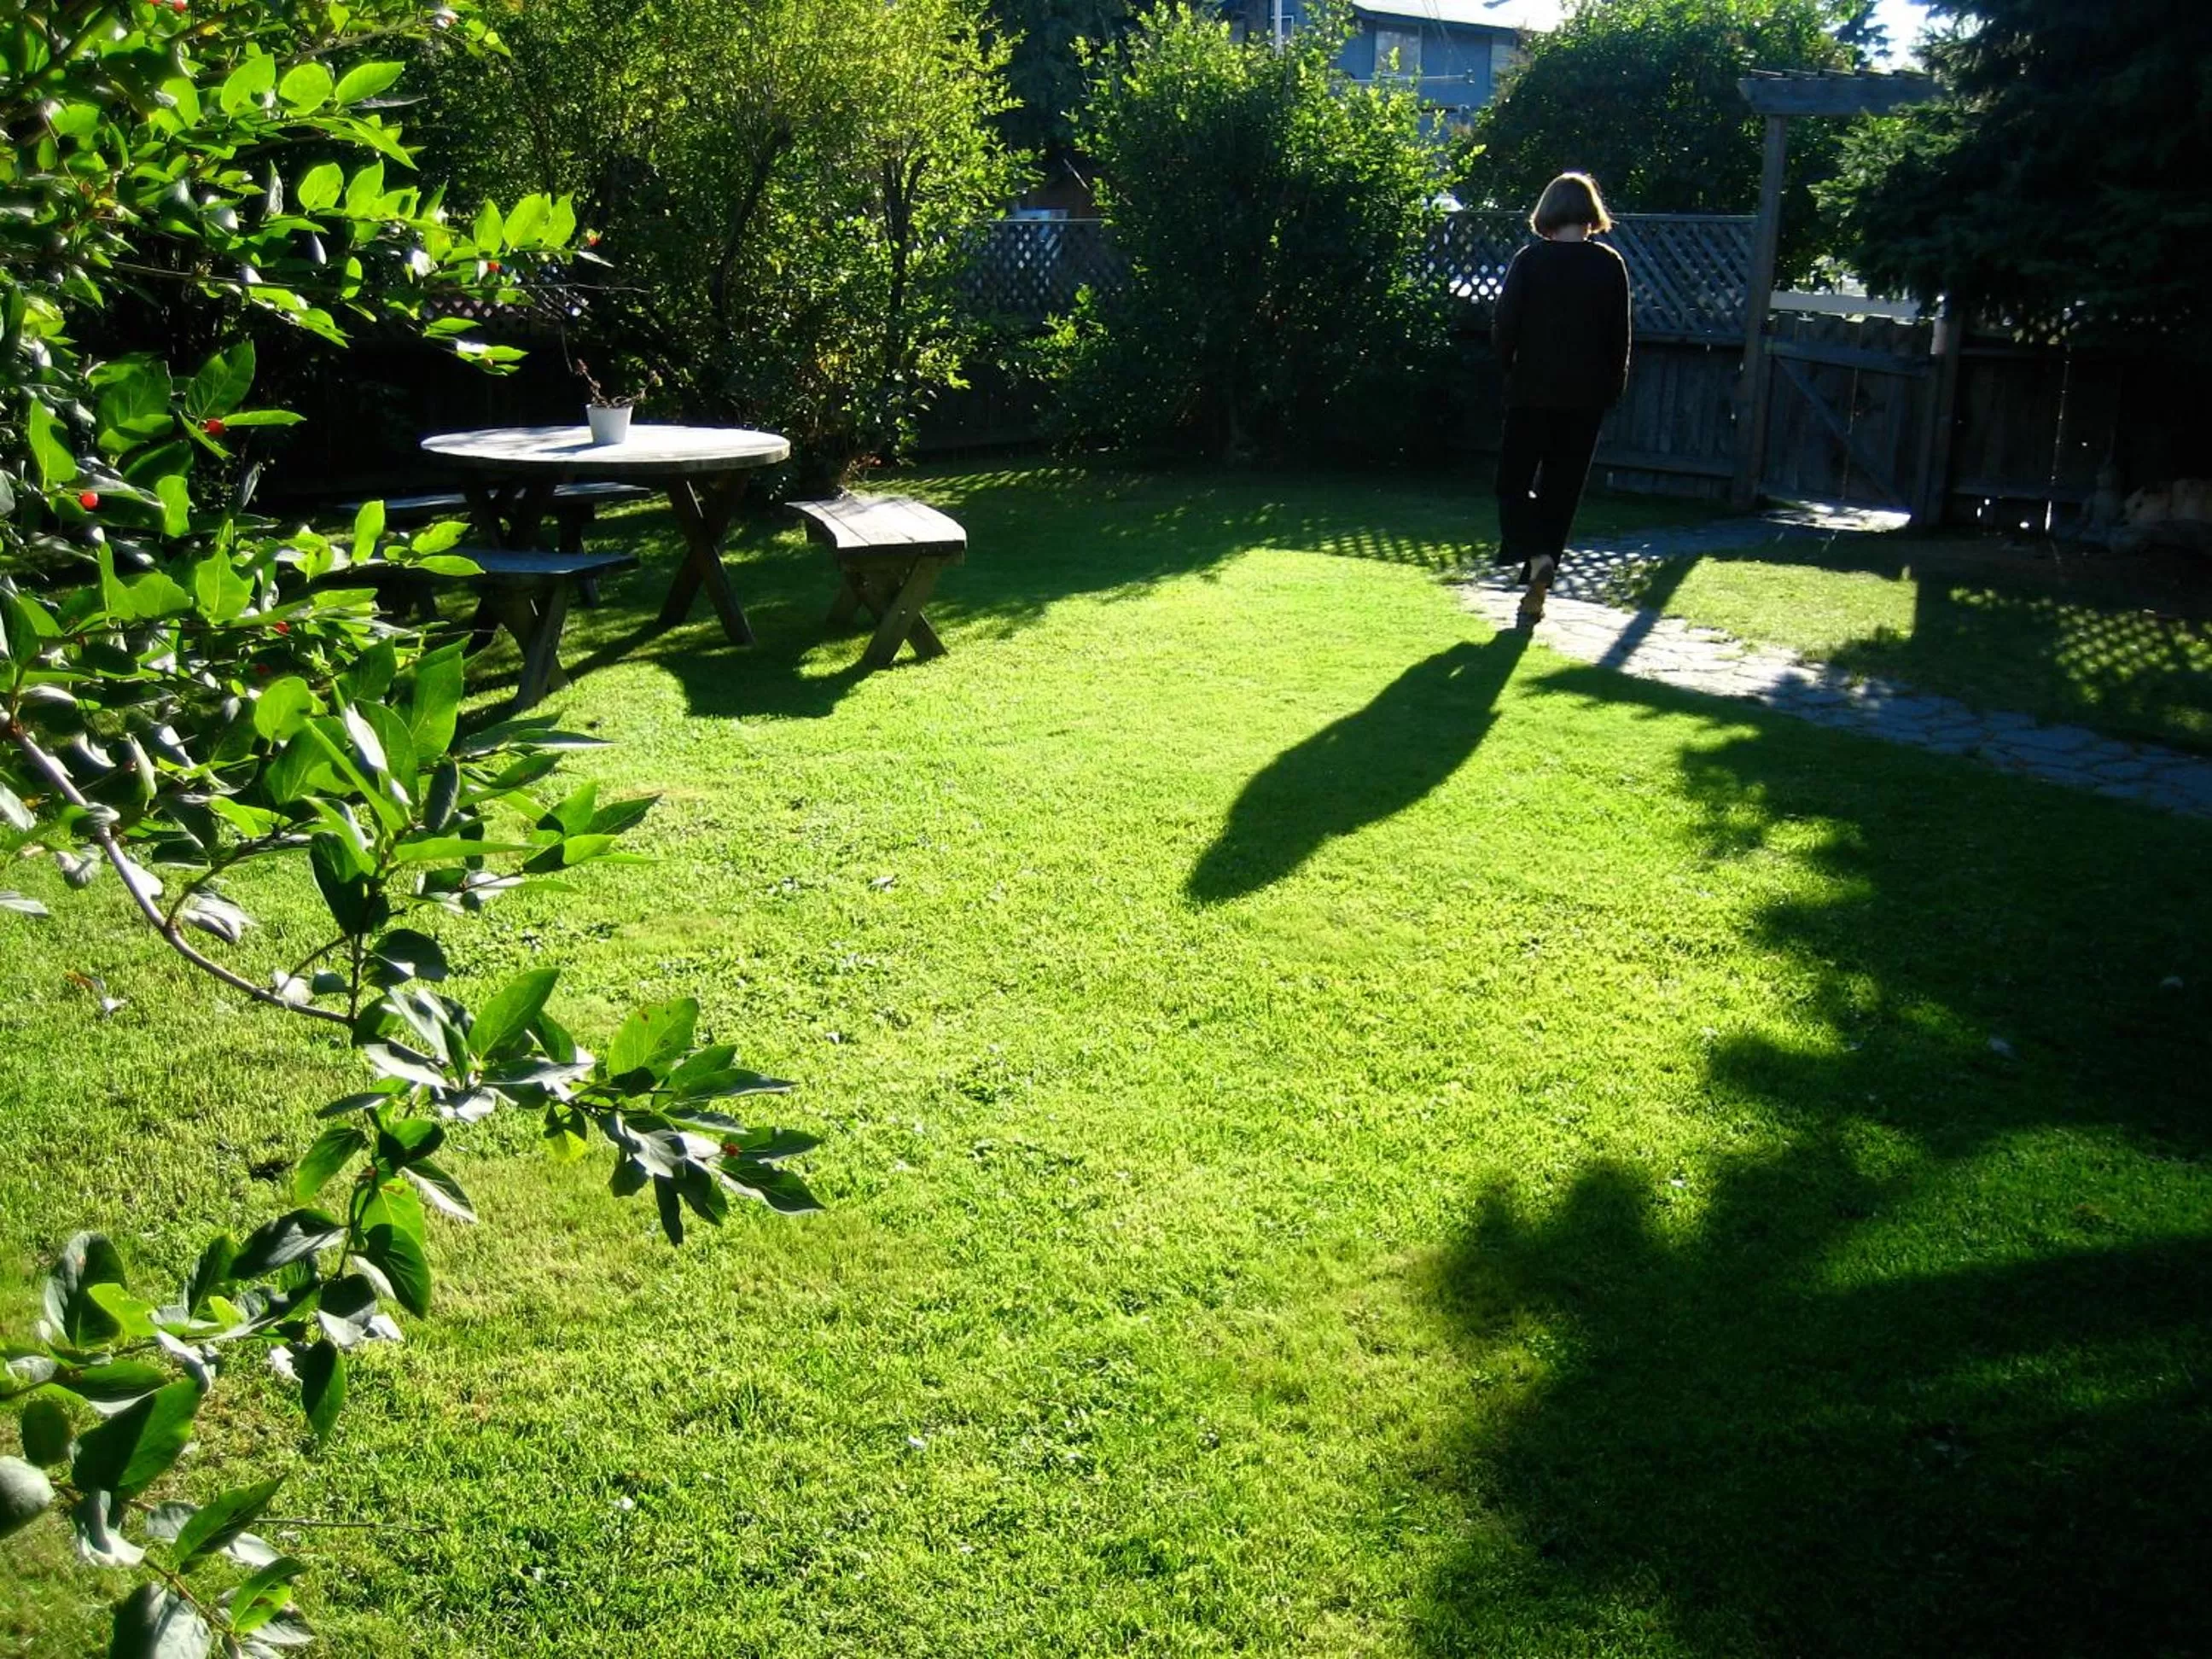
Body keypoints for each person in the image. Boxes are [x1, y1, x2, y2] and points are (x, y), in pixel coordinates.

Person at [1490, 171, 1633, 627]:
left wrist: (1506, 369)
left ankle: (1534, 554)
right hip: (1586, 397)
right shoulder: (1609, 264)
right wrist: (1614, 387)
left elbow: (1505, 325)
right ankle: (1539, 577)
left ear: (1548, 211)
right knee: (1562, 491)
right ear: (1591, 213)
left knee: (1511, 483)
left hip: (1532, 391)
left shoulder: (1530, 261)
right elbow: (1619, 336)